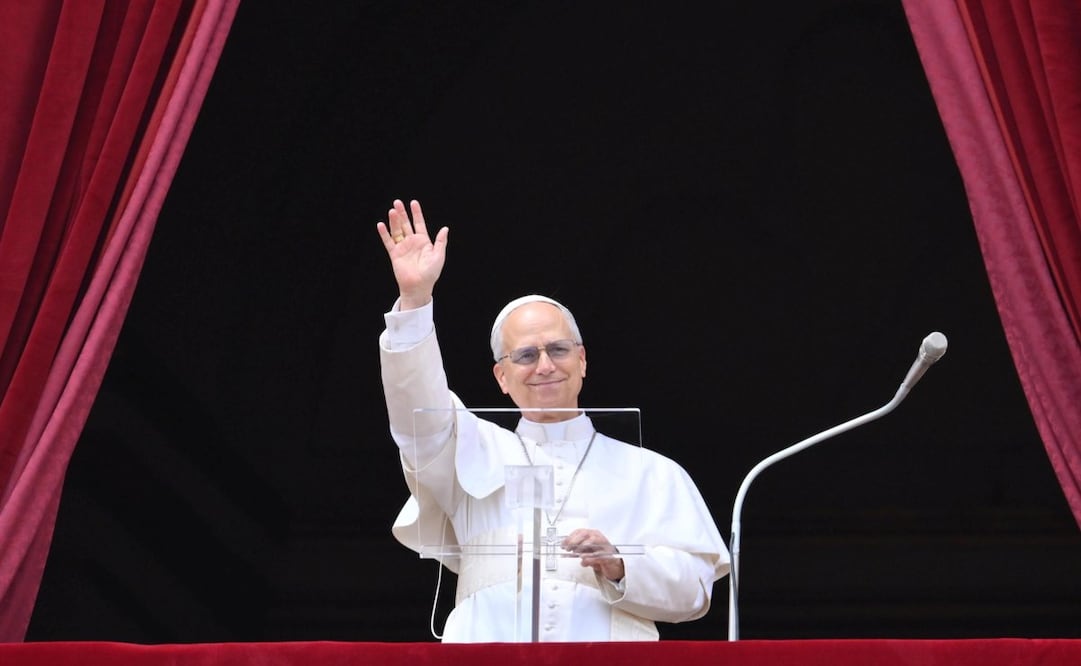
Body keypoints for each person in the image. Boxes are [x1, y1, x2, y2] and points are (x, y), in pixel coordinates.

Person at [376, 198, 729, 642]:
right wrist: (414, 302)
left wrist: (620, 563)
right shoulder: (467, 446)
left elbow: (696, 591)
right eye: (525, 355)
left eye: (558, 350)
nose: (544, 366)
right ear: (501, 377)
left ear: (582, 361)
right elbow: (414, 405)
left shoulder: (653, 473)